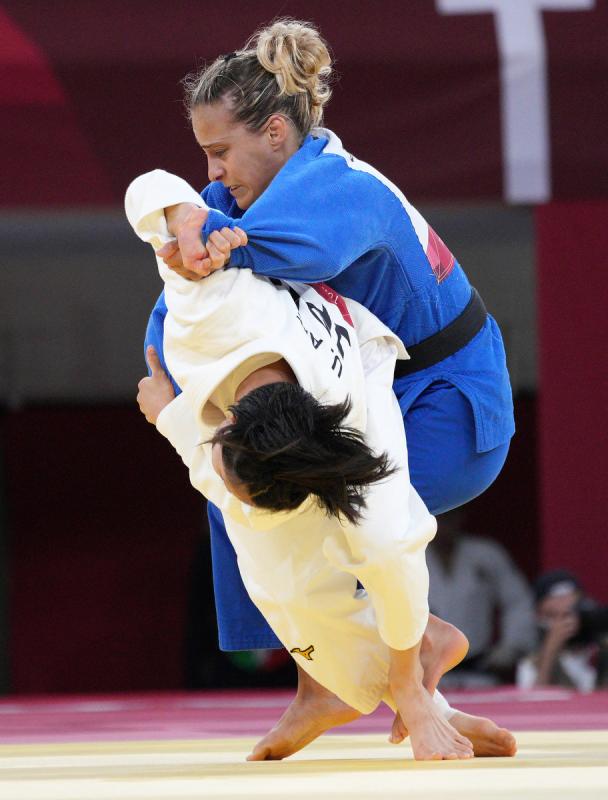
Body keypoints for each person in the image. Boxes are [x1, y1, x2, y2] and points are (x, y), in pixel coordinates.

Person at [143, 17, 515, 758]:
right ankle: (335, 678)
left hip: (449, 399)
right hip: (372, 393)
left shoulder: (338, 192)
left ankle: (406, 671)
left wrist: (188, 230)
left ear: (275, 133)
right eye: (204, 159)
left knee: (329, 512)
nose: (212, 173)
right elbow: (180, 299)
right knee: (239, 477)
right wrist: (182, 223)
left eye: (219, 153)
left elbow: (216, 275)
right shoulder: (252, 203)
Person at [426, 509, 536, 686]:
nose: (445, 523)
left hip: (479, 669)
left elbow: (517, 601)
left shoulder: (486, 554)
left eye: (451, 516)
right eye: (440, 517)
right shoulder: (413, 557)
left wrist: (511, 646)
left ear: (461, 517)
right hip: (427, 670)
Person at [517, 570, 608, 692]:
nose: (566, 622)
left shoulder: (600, 651)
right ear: (539, 617)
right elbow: (533, 703)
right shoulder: (532, 664)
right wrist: (550, 651)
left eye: (570, 614)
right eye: (553, 615)